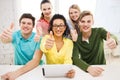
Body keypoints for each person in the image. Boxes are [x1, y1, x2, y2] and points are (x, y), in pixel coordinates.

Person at [1, 14, 75, 80]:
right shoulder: (16, 35)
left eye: (29, 23)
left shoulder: (68, 42)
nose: (26, 25)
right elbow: (7, 39)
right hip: (24, 70)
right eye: (23, 23)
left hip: (46, 71)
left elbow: (67, 60)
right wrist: (2, 38)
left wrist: (68, 70)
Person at [72, 10, 117, 77]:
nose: (86, 24)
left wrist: (113, 40)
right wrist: (88, 68)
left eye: (89, 21)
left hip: (102, 68)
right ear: (79, 23)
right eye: (83, 21)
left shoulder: (99, 31)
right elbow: (75, 58)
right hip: (87, 70)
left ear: (93, 22)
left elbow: (111, 36)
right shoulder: (77, 38)